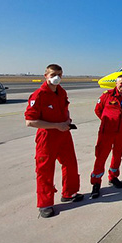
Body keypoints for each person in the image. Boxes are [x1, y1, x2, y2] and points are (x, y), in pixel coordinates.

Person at [25, 64, 83, 218]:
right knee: (45, 170)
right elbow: (30, 121)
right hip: (47, 137)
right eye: (53, 74)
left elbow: (66, 108)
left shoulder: (61, 92)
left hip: (64, 134)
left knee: (70, 164)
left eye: (59, 74)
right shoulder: (38, 95)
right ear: (46, 75)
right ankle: (45, 204)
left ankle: (69, 193)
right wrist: (56, 126)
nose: (56, 77)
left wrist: (67, 119)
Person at [90, 75, 122, 199]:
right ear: (116, 83)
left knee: (118, 154)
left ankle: (113, 177)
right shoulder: (107, 95)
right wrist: (107, 122)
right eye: (121, 83)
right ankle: (96, 183)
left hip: (121, 132)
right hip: (107, 132)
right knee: (101, 156)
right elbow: (98, 110)